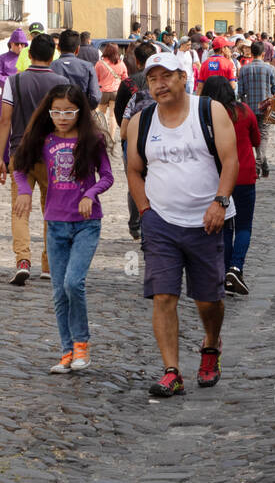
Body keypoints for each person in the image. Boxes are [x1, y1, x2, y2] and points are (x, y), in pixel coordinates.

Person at [126, 51, 239, 398]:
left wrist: (220, 202)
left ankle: (210, 344)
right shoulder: (140, 122)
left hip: (208, 221)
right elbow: (132, 168)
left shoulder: (209, 111)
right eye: (153, 79)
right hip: (161, 221)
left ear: (183, 77)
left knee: (209, 301)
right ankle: (171, 371)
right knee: (163, 296)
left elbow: (230, 159)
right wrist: (145, 210)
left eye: (167, 76)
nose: (160, 85)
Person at [12, 84, 113, 373]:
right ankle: (67, 352)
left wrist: (89, 194)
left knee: (73, 283)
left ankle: (82, 346)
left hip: (86, 224)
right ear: (49, 112)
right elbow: (20, 167)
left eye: (69, 112)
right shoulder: (43, 140)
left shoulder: (91, 139)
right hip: (54, 224)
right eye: (56, 111)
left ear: (80, 112)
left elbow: (106, 176)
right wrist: (24, 191)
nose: (62, 117)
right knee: (58, 292)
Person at [0, 33, 68, 285]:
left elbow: (5, 120)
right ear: (53, 56)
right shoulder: (61, 83)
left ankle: (23, 261)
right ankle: (49, 264)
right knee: (52, 210)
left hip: (21, 153)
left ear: (29, 55)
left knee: (20, 211)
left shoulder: (14, 82)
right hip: (54, 154)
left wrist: (1, 157)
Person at [200, 77, 259, 297]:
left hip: (218, 178)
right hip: (244, 176)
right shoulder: (244, 111)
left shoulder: (205, 115)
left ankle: (225, 272)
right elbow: (256, 139)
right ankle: (236, 268)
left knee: (224, 226)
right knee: (244, 226)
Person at [114, 40, 158, 241]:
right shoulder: (161, 85)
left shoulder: (128, 84)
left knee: (134, 180)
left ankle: (135, 224)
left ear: (137, 61)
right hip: (157, 140)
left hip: (131, 141)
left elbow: (119, 113)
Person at [237, 40, 275, 179]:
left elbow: (240, 92)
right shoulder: (270, 69)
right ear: (263, 53)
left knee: (254, 137)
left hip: (248, 109)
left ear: (252, 52)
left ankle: (264, 165)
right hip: (266, 109)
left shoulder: (244, 69)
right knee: (264, 137)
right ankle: (258, 166)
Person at [93, 42, 128, 149]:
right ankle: (112, 137)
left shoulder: (100, 64)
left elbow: (96, 78)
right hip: (116, 92)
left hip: (103, 91)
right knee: (112, 116)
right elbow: (125, 79)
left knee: (101, 115)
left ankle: (102, 136)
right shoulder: (121, 64)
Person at [54, 30, 100, 107]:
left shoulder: (51, 66)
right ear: (78, 49)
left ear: (58, 47)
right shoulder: (88, 67)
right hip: (80, 111)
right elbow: (95, 97)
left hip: (57, 113)